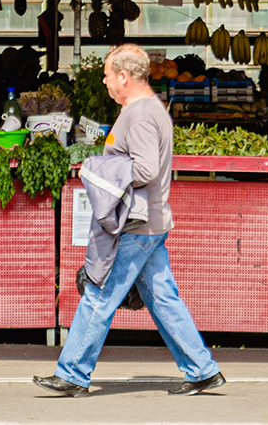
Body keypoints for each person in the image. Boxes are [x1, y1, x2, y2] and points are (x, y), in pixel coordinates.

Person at [36, 43, 225, 398]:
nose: (105, 81)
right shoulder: (150, 109)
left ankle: (73, 373)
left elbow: (145, 168)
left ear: (124, 76)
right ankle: (201, 370)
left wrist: (96, 168)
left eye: (108, 74)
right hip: (149, 221)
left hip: (136, 225)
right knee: (163, 298)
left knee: (98, 294)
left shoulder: (138, 114)